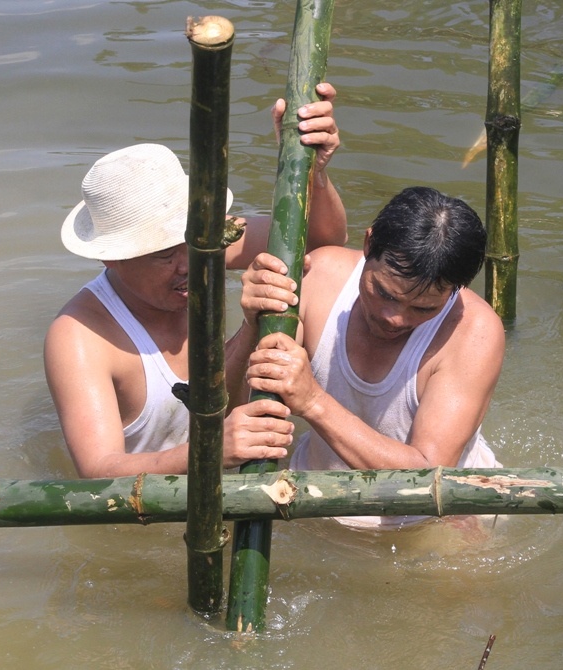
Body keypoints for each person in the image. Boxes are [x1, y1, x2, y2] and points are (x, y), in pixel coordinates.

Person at [45, 83, 347, 479]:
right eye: (164, 255)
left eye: (192, 242)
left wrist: (312, 171)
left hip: (225, 447)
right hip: (151, 505)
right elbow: (99, 471)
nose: (190, 264)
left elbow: (322, 241)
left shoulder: (206, 246)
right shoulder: (79, 338)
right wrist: (210, 450)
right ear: (112, 257)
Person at [239, 186, 504, 528]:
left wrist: (313, 401)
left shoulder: (474, 332)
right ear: (368, 245)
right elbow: (235, 408)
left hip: (424, 520)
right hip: (305, 498)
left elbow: (426, 479)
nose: (395, 318)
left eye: (424, 308)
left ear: (455, 291)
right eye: (383, 293)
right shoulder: (320, 277)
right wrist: (250, 325)